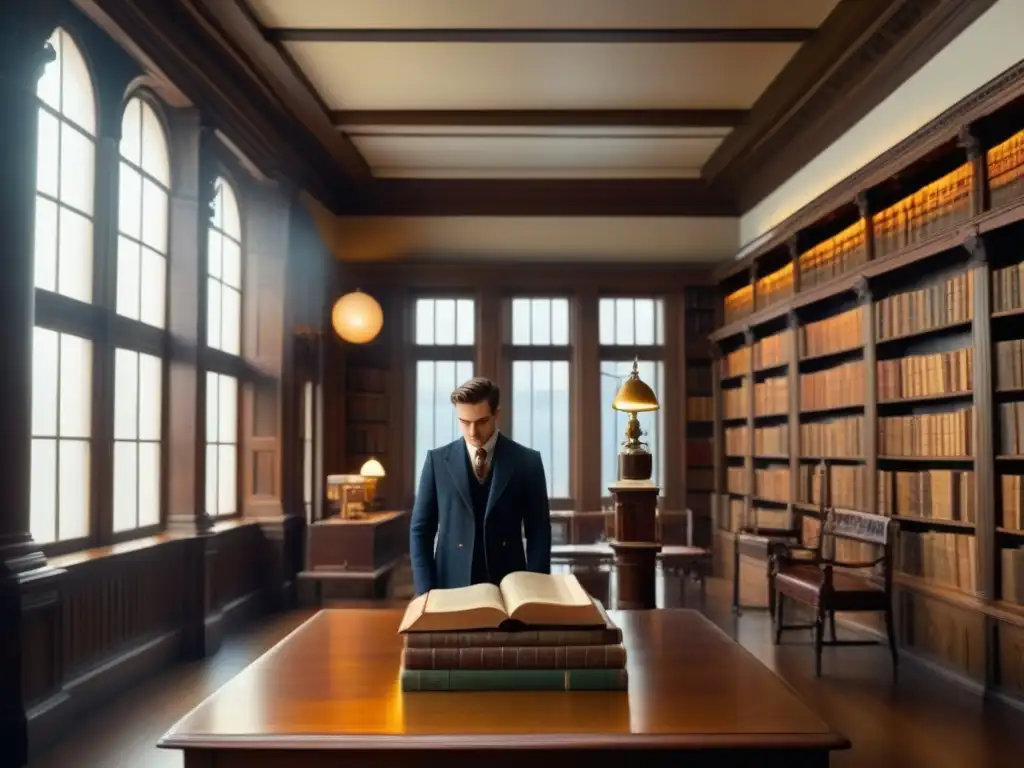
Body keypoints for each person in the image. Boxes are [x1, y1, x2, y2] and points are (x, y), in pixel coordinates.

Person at [409, 377, 551, 596]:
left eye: (481, 421)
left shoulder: (527, 462)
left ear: (496, 414)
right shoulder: (436, 462)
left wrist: (535, 593)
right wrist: (425, 593)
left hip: (509, 587)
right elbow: (421, 531)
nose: (472, 431)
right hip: (449, 586)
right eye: (464, 422)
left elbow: (539, 533)